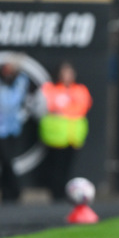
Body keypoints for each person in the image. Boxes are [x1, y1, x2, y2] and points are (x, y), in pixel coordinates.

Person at [39, 61, 93, 201]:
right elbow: (44, 108)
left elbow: (82, 107)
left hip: (72, 136)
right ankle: (55, 194)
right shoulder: (50, 88)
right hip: (55, 136)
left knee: (67, 168)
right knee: (54, 168)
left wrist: (62, 111)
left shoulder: (80, 89)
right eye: (64, 72)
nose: (67, 75)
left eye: (69, 72)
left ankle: (65, 194)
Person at [0, 57, 29, 203]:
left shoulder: (19, 81)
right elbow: (0, 103)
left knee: (7, 162)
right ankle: (13, 190)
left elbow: (15, 101)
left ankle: (8, 193)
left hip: (12, 129)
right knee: (5, 161)